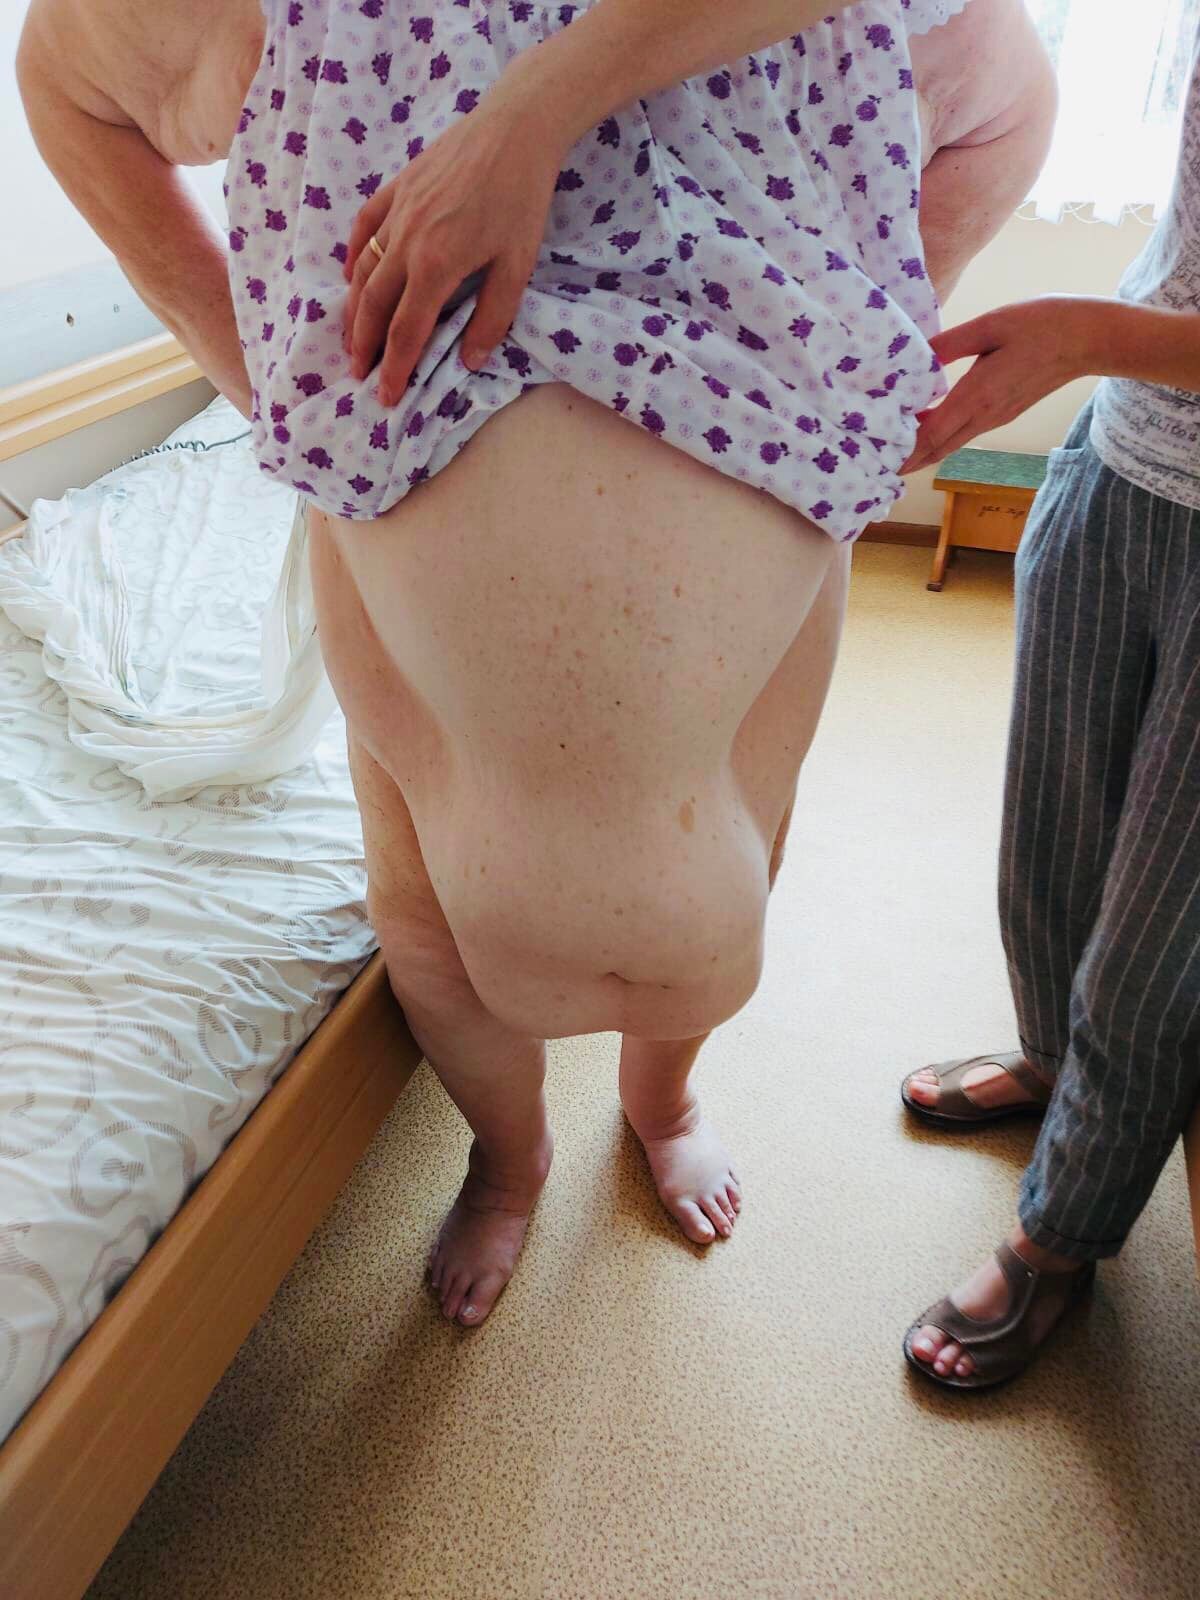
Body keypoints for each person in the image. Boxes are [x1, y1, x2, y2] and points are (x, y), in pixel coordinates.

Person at [18, 0, 1055, 1327]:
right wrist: (269, 383)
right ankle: (508, 1163)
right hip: (398, 533)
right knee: (423, 923)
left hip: (767, 552)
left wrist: (873, 343)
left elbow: (1012, 105)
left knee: (741, 855)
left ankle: (663, 1104)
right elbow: (64, 87)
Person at [901, 14, 1200, 1389]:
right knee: (1049, 838)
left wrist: (1085, 332)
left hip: (1119, 378)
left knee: (1152, 950)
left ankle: (1060, 1239)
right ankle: (1044, 1060)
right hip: (1119, 454)